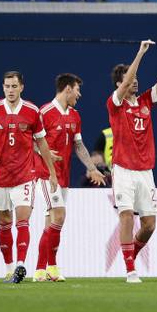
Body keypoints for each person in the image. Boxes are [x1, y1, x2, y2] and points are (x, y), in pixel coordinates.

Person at [108, 38, 157, 283]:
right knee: (125, 216)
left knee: (150, 225)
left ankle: (129, 256)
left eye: (136, 77)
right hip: (123, 170)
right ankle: (130, 269)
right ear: (120, 83)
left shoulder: (145, 102)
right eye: (129, 77)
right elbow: (123, 86)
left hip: (146, 171)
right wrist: (140, 53)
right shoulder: (115, 104)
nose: (135, 80)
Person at [0, 71, 58, 284]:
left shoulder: (33, 111)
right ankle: (8, 268)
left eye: (14, 86)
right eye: (7, 86)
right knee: (4, 222)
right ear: (3, 87)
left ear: (21, 87)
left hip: (25, 175)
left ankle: (20, 265)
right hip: (0, 176)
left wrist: (51, 172)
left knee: (22, 220)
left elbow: (42, 143)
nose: (10, 90)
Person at [33, 73, 106, 282]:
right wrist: (43, 153)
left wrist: (92, 168)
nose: (79, 94)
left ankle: (40, 271)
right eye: (77, 90)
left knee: (52, 222)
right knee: (59, 215)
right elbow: (29, 141)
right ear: (67, 89)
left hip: (63, 176)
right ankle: (53, 267)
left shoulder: (75, 115)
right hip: (46, 175)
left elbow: (79, 145)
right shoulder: (44, 112)